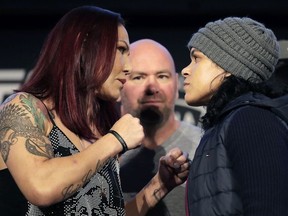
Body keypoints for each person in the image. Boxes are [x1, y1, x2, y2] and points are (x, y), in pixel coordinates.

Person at [0, 6, 190, 216]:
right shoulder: (23, 108)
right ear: (83, 45)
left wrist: (159, 186)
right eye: (120, 50)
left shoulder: (99, 131)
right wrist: (115, 139)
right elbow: (41, 188)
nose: (128, 66)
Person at [182, 17, 288, 215]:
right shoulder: (226, 123)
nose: (185, 70)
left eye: (196, 58)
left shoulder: (252, 120)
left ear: (228, 66)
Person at [119, 39, 202, 216]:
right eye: (138, 77)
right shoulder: (101, 151)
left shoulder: (204, 145)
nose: (152, 87)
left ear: (176, 83)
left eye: (162, 76)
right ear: (119, 84)